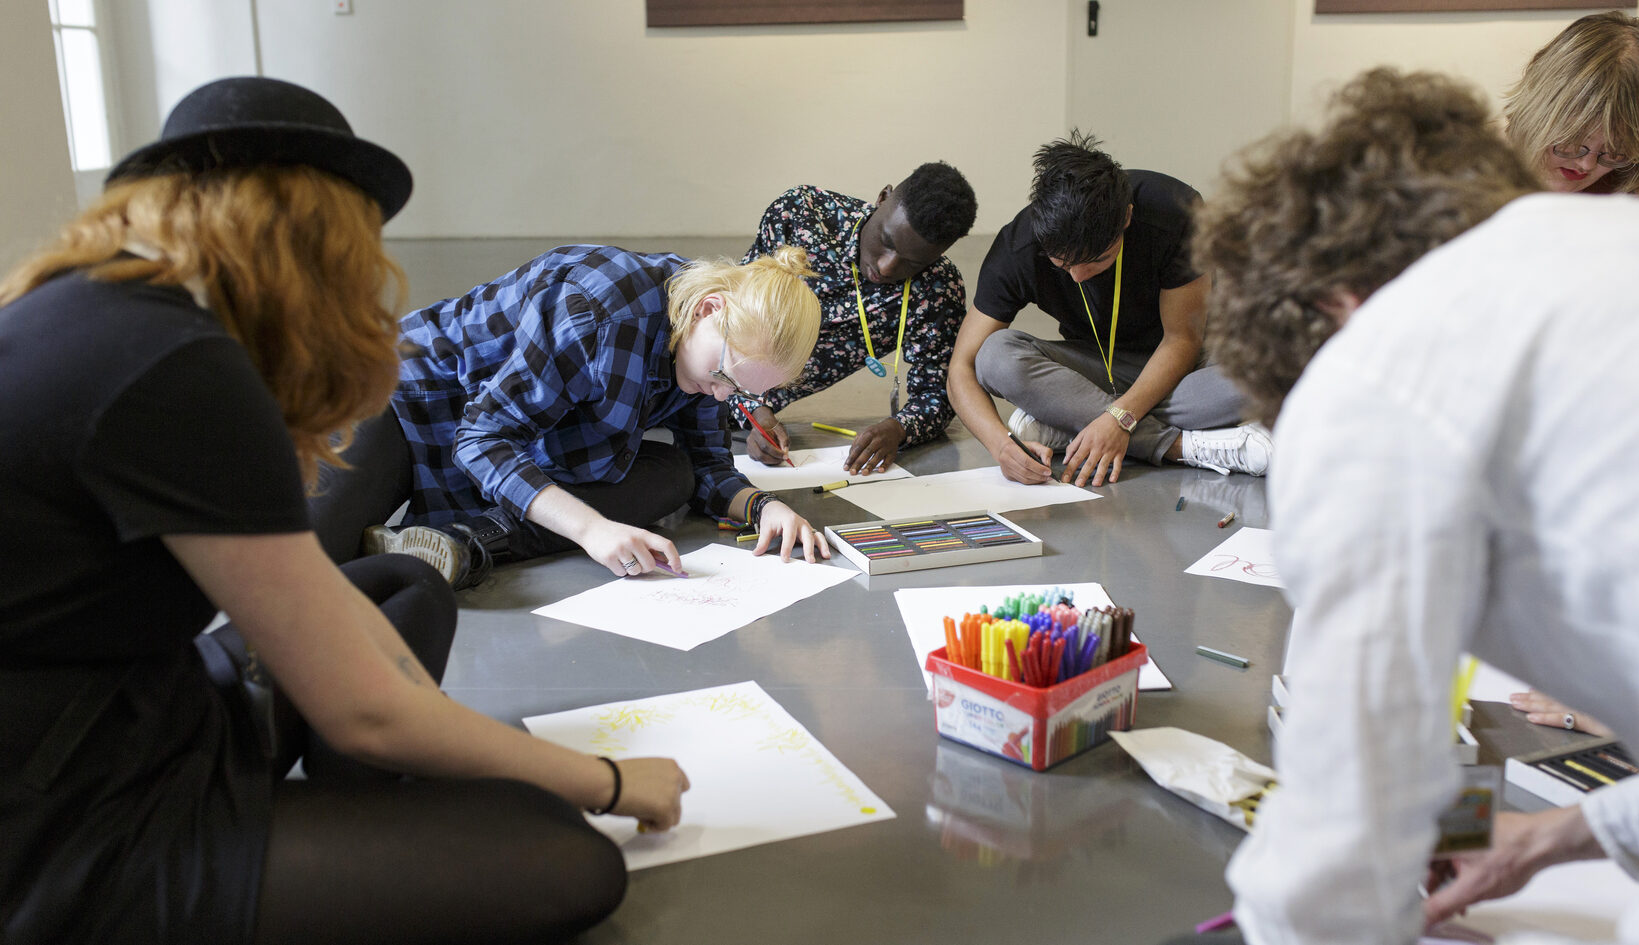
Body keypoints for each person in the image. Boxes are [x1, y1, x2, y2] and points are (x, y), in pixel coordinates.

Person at [0, 76, 688, 945]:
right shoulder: (174, 368)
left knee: (406, 584)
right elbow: (366, 710)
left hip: (143, 708)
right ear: (314, 233)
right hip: (66, 821)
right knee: (569, 858)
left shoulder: (109, 311)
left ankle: (322, 841)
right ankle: (296, 859)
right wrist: (609, 779)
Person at [1187, 67, 1639, 945]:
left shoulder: (1378, 364)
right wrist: (1557, 834)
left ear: (1334, 305)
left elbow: (1350, 816)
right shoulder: (1636, 246)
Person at [311, 244, 833, 587]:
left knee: (674, 473)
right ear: (708, 309)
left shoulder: (711, 359)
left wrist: (764, 507)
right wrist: (592, 530)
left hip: (526, 440)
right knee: (313, 565)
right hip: (407, 401)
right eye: (724, 377)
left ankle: (460, 544)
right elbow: (481, 439)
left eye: (741, 392)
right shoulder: (600, 308)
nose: (722, 396)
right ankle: (455, 540)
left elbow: (709, 465)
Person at [945, 131, 1270, 489]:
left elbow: (1183, 339)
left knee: (1268, 371)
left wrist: (1119, 419)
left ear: (1127, 218)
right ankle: (1184, 447)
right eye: (1063, 263)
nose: (1079, 276)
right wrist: (1000, 445)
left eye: (1098, 259)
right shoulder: (1019, 246)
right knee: (994, 356)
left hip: (1185, 368)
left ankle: (1068, 424)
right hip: (1096, 368)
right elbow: (961, 367)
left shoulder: (1175, 211)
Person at [735, 162, 976, 475]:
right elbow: (727, 323)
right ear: (882, 198)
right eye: (886, 241)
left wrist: (898, 428)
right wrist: (753, 409)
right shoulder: (802, 216)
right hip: (689, 372)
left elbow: (937, 392)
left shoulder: (936, 288)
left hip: (726, 421)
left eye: (912, 262)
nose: (887, 267)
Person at [1504, 10, 1639, 195]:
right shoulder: (1479, 168)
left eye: (1615, 150)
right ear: (1537, 113)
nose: (1586, 165)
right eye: (1573, 140)